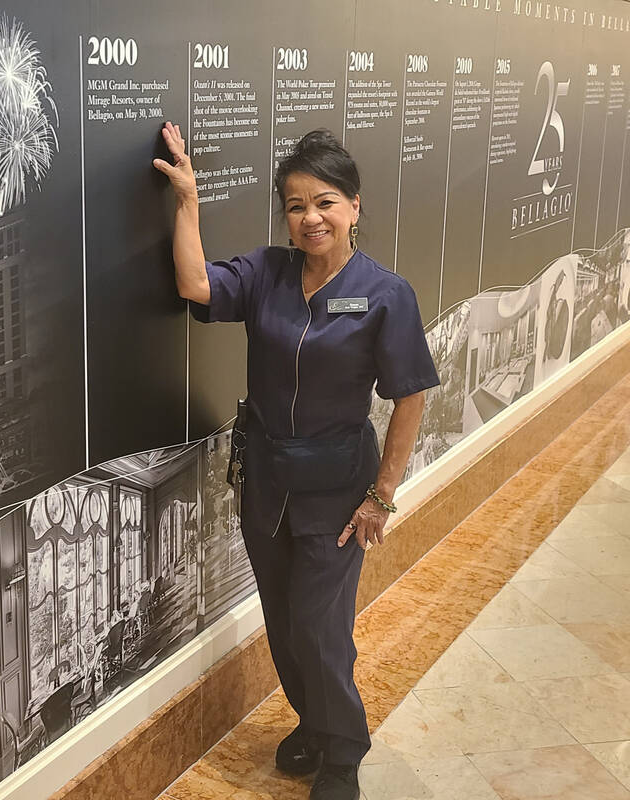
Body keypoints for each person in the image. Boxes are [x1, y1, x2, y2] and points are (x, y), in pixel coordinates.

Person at [152, 125, 439, 800]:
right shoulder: (265, 274)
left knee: (319, 625)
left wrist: (383, 494)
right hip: (269, 484)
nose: (310, 218)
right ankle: (313, 723)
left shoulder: (384, 294)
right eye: (295, 205)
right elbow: (195, 283)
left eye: (326, 203)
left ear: (355, 208)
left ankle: (342, 752)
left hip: (338, 491)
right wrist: (188, 200)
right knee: (283, 622)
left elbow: (411, 398)